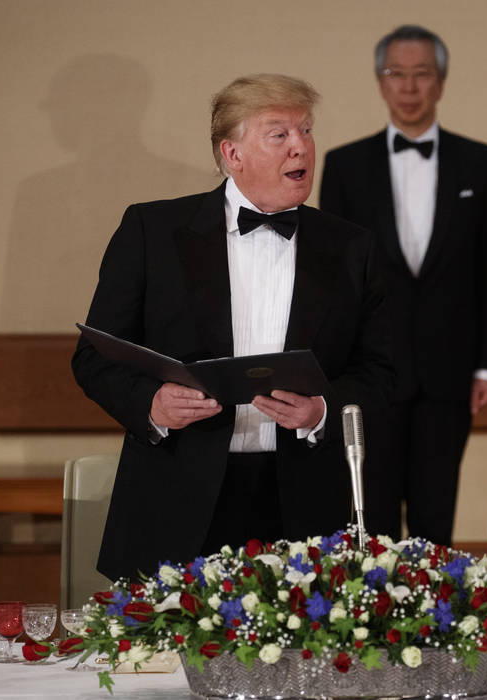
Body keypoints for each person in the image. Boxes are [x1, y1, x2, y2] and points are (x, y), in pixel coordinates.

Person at [72, 74, 393, 581]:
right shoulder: (152, 231)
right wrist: (152, 403)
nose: (300, 146)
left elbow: (385, 370)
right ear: (232, 154)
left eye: (306, 131)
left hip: (305, 504)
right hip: (178, 498)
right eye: (279, 134)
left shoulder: (353, 247)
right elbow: (94, 358)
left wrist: (322, 408)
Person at [319, 25, 487, 546]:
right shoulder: (345, 165)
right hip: (368, 372)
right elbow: (333, 277)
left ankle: (435, 624)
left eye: (421, 74)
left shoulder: (480, 161)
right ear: (381, 83)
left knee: (434, 519)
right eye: (396, 74)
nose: (408, 86)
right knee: (368, 516)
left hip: (450, 372)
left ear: (440, 82)